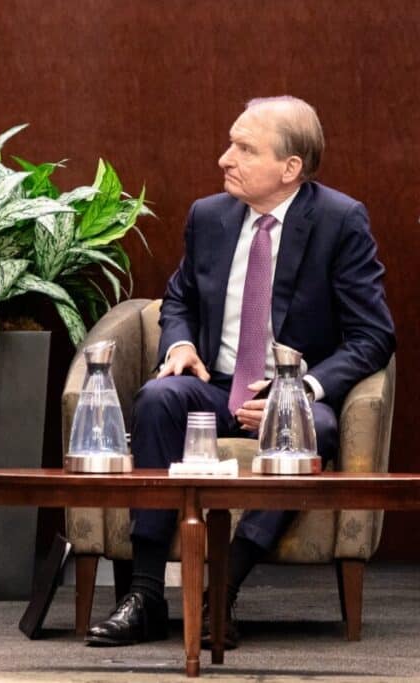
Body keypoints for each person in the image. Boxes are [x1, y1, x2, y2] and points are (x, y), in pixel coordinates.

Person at [85, 96, 395, 649]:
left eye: (244, 148)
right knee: (158, 399)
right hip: (215, 387)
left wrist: (299, 392)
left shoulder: (339, 221)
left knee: (315, 430)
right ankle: (146, 593)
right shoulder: (210, 216)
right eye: (231, 143)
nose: (225, 158)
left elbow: (374, 336)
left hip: (293, 391)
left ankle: (221, 588)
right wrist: (177, 344)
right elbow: (176, 299)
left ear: (290, 167)